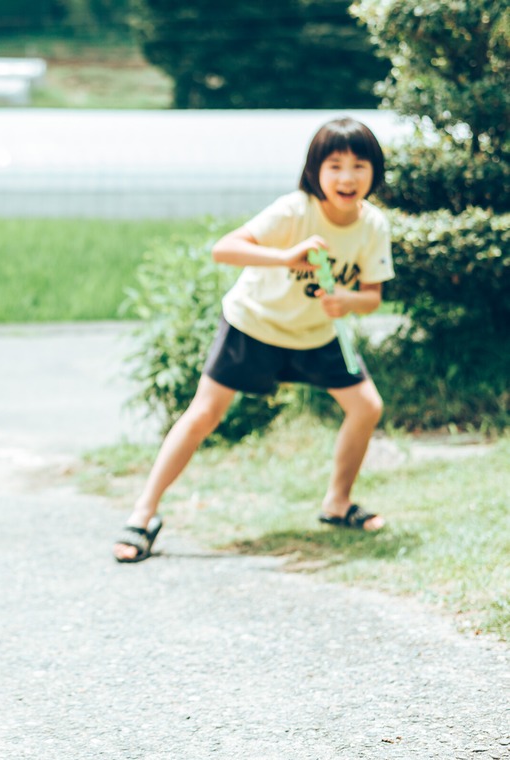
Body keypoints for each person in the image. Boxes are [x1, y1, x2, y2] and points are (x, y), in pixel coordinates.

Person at [113, 116, 393, 563]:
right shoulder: (294, 210)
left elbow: (373, 297)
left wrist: (346, 301)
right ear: (314, 170)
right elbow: (223, 249)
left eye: (360, 165)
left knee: (367, 407)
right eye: (334, 164)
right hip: (253, 326)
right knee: (204, 414)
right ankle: (142, 515)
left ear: (375, 173)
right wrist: (284, 256)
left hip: (317, 335)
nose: (347, 176)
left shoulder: (373, 225)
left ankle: (337, 504)